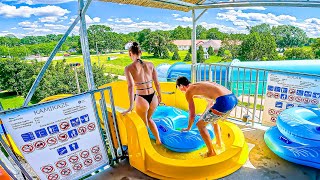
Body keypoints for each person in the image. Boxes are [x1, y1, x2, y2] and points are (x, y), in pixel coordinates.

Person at [176, 76, 238, 157]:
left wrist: (188, 128)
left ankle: (211, 152)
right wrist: (203, 115)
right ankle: (219, 144)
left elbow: (192, 114)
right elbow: (211, 104)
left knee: (200, 125)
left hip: (224, 101)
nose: (181, 91)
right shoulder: (200, 85)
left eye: (179, 88)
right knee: (213, 120)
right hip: (233, 99)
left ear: (181, 86)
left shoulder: (189, 91)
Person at [122, 42, 162, 145]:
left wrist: (130, 107)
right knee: (149, 119)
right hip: (153, 97)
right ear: (140, 52)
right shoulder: (150, 64)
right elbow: (157, 83)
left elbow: (130, 87)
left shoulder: (129, 68)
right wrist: (160, 96)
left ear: (130, 53)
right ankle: (158, 140)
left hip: (141, 98)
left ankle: (147, 146)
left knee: (143, 125)